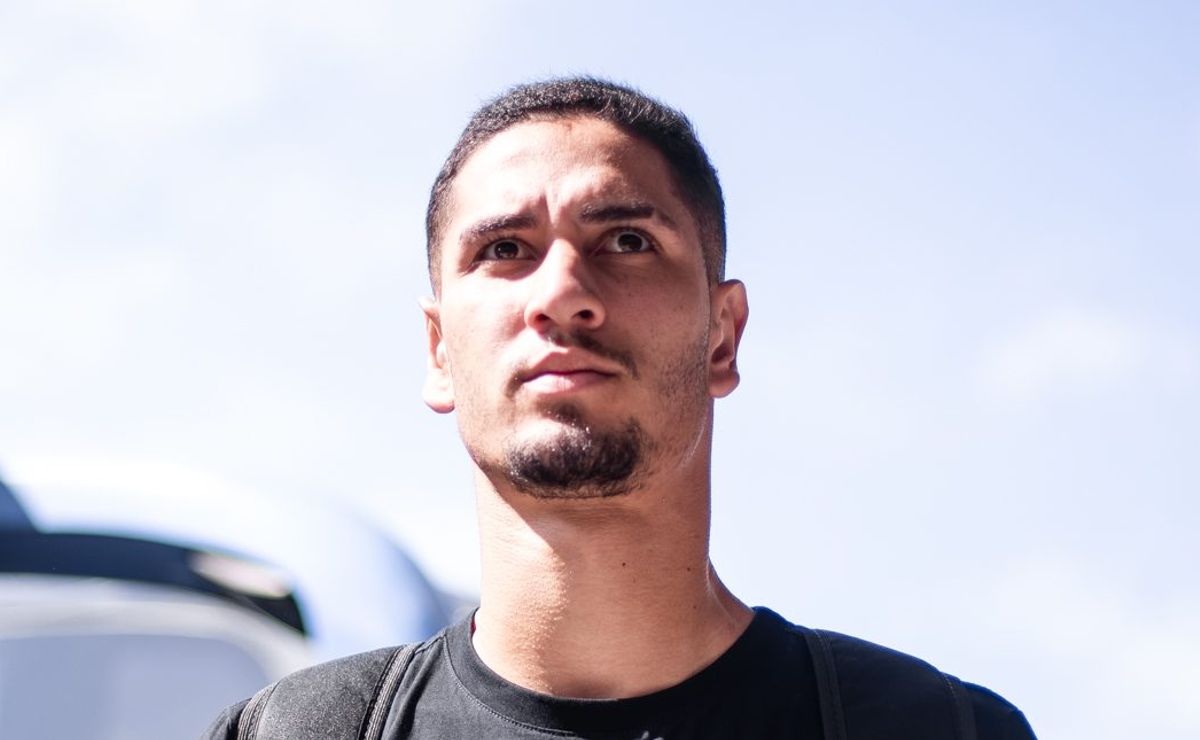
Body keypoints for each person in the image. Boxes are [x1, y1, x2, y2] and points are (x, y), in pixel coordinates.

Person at [204, 77, 1036, 740]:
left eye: (627, 242)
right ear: (439, 351)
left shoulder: (932, 728)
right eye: (505, 249)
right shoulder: (292, 733)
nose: (562, 293)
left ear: (722, 335)